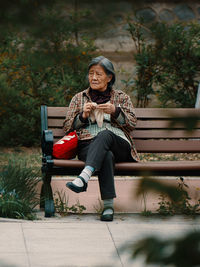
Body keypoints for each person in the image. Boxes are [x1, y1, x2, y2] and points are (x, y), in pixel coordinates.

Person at [63, 56, 139, 221]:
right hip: (88, 146)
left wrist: (115, 111)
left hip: (119, 144)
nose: (94, 78)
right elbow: (67, 127)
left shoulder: (121, 97)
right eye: (91, 74)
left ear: (109, 77)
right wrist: (82, 115)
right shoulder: (79, 98)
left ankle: (83, 176)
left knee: (104, 134)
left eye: (98, 74)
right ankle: (108, 208)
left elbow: (132, 123)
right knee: (106, 155)